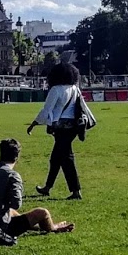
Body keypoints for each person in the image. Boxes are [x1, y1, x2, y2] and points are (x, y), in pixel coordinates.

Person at [0, 139, 74, 245]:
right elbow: (16, 204)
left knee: (11, 212)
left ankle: (36, 227)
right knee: (42, 212)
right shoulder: (12, 175)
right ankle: (54, 228)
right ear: (17, 157)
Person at [27, 63, 95, 200]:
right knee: (56, 158)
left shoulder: (56, 90)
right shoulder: (75, 89)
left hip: (61, 127)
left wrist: (34, 123)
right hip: (73, 127)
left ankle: (76, 191)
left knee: (66, 159)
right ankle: (47, 187)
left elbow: (47, 109)